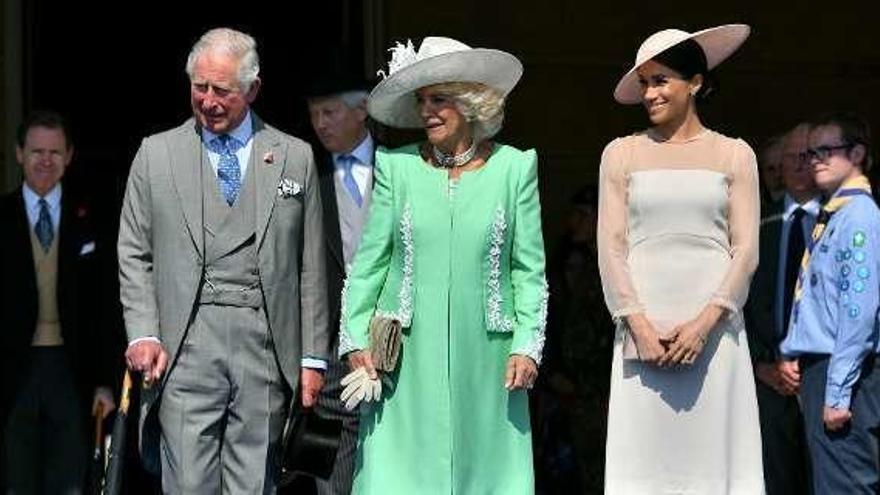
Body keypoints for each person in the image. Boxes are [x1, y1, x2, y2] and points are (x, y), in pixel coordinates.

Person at [118, 27, 329, 493]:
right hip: (185, 346)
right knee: (188, 484)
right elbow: (134, 251)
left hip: (265, 349)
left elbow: (311, 266)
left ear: (252, 89)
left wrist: (312, 357)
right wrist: (144, 333)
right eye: (200, 87)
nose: (209, 101)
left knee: (255, 484)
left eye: (222, 91)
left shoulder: (295, 157)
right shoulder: (156, 155)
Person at [339, 37, 547, 494]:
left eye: (439, 99)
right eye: (421, 102)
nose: (427, 111)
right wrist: (355, 339)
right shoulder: (397, 167)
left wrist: (526, 347)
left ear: (470, 103)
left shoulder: (515, 168)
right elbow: (370, 263)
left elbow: (528, 270)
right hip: (403, 363)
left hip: (489, 359)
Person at [597, 25, 764, 493]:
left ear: (695, 82)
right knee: (645, 463)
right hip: (641, 333)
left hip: (716, 332)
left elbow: (746, 249)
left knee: (716, 458)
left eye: (661, 80)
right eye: (644, 82)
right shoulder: (621, 153)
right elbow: (611, 247)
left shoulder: (736, 154)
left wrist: (705, 323)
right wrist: (639, 325)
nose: (649, 92)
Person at [0, 110, 117, 493]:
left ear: (69, 157)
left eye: (54, 152)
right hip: (13, 372)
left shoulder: (93, 217)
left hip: (72, 370)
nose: (45, 161)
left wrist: (104, 381)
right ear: (19, 154)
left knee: (69, 483)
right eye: (36, 152)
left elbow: (106, 306)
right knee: (16, 483)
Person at [780, 112, 880, 494]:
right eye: (810, 152)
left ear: (856, 154)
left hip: (846, 373)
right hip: (824, 368)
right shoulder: (836, 214)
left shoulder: (858, 218)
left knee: (845, 486)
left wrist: (837, 392)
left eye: (827, 150)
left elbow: (859, 311)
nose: (815, 159)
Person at [303, 69, 375, 495]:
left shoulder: (402, 167)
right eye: (313, 114)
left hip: (392, 339)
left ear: (362, 108)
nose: (320, 123)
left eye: (329, 112)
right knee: (331, 473)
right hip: (329, 343)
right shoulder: (307, 173)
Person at [745, 123, 817, 494]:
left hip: (827, 376)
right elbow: (738, 302)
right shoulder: (754, 227)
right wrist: (760, 364)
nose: (803, 165)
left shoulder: (844, 217)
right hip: (769, 378)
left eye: (811, 156)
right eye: (795, 158)